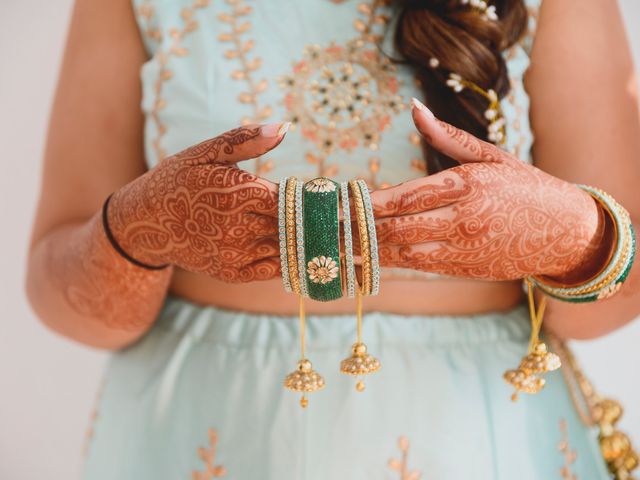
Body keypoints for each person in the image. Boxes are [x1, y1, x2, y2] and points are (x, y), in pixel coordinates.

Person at [25, 0, 640, 478]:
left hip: (480, 427)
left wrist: (571, 238)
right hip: (209, 422)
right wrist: (138, 229)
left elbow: (616, 298)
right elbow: (63, 294)